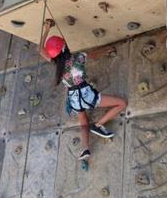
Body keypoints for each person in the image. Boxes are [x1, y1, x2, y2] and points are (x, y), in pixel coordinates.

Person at [39, 20, 127, 160]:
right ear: (64, 48)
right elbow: (95, 54)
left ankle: (85, 149)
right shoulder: (77, 58)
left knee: (83, 124)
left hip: (74, 99)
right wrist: (108, 49)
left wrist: (46, 29)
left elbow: (41, 50)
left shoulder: (57, 64)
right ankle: (98, 125)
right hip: (87, 95)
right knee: (121, 103)